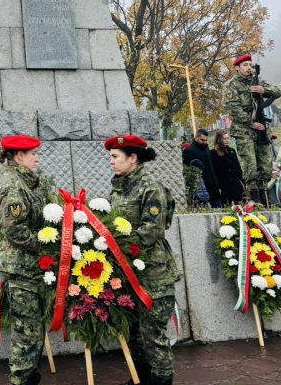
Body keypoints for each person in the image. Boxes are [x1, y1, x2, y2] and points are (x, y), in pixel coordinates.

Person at [107, 135, 179, 385]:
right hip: (128, 273)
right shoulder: (119, 188)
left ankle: (161, 380)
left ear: (133, 158)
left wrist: (115, 247)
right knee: (135, 333)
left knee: (153, 335)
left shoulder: (151, 188)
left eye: (116, 157)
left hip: (153, 276)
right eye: (111, 157)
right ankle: (141, 379)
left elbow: (150, 231)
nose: (112, 162)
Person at [0, 134, 46, 385]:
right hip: (21, 267)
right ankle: (21, 379)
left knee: (32, 325)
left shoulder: (25, 182)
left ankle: (28, 375)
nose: (37, 158)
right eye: (33, 154)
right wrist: (46, 244)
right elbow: (14, 230)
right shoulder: (15, 185)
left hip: (28, 266)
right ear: (19, 156)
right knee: (27, 329)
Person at [221, 54, 281, 203]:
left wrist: (263, 90)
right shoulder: (231, 85)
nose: (249, 68)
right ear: (237, 68)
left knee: (265, 166)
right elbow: (232, 108)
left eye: (250, 65)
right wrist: (250, 122)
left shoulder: (258, 82)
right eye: (245, 65)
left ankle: (266, 197)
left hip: (261, 130)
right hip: (244, 131)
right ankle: (252, 198)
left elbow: (277, 91)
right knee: (251, 167)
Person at [181, 129, 220, 207]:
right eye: (202, 140)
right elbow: (188, 170)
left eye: (206, 140)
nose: (205, 142)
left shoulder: (206, 148)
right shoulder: (189, 151)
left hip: (213, 185)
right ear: (196, 138)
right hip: (201, 187)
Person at [211, 131, 245, 206]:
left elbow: (237, 166)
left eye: (227, 138)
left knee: (240, 204)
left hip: (235, 182)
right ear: (219, 139)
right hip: (224, 183)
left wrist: (242, 180)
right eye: (224, 138)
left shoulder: (232, 151)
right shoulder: (214, 153)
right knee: (226, 204)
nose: (226, 140)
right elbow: (215, 170)